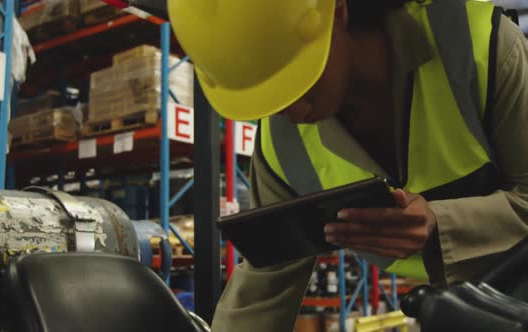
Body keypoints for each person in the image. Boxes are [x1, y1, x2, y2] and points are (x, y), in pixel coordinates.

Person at [168, 0, 528, 330]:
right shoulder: (281, 146)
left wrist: (443, 222)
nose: (293, 113)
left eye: (298, 80)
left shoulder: (479, 47)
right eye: (269, 99)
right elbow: (265, 282)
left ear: (338, 12)